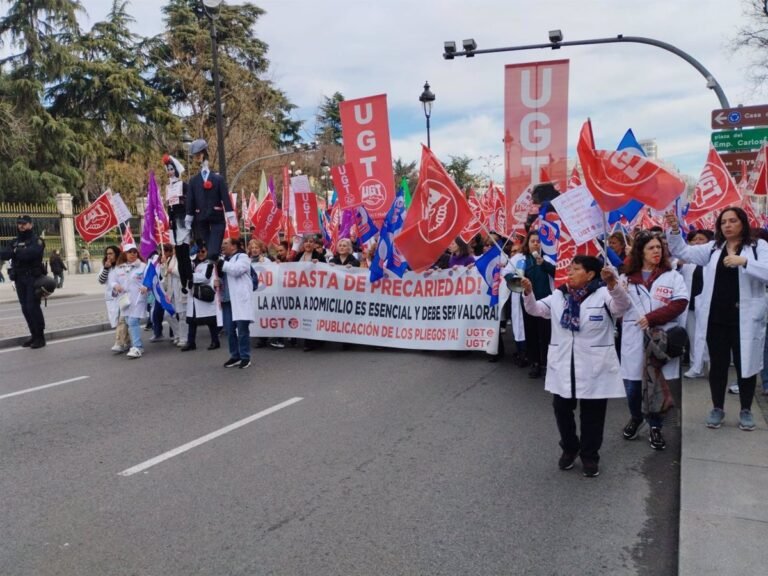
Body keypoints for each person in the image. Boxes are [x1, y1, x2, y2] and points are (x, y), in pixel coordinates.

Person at [522, 255, 631, 477]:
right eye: (569, 268)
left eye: (575, 269)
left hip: (594, 367)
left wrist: (613, 284)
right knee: (561, 409)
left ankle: (590, 456)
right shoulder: (559, 295)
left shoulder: (603, 294)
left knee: (593, 415)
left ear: (590, 274)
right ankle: (570, 448)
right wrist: (528, 292)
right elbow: (535, 310)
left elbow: (622, 306)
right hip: (564, 364)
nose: (569, 273)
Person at [666, 207, 768, 431]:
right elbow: (683, 252)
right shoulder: (714, 248)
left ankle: (746, 410)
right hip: (716, 317)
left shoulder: (758, 247)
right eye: (723, 222)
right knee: (718, 364)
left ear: (743, 222)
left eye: (733, 221)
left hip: (745, 317)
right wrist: (674, 230)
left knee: (746, 364)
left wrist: (745, 263)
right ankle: (717, 408)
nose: (728, 225)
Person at [619, 231, 688, 451]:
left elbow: (679, 303)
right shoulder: (626, 278)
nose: (657, 251)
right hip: (634, 338)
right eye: (651, 248)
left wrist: (651, 318)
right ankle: (636, 417)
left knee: (656, 385)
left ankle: (655, 426)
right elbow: (617, 306)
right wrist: (614, 289)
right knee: (633, 386)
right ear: (640, 252)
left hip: (660, 339)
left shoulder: (672, 276)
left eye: (659, 247)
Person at [0, 215, 47, 348]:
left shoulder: (37, 241)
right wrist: (16, 251)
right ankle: (33, 335)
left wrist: (15, 252)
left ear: (30, 225)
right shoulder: (14, 241)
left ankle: (40, 337)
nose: (21, 226)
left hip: (33, 278)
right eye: (19, 223)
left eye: (24, 223)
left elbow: (31, 254)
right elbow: (3, 253)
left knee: (33, 307)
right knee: (25, 308)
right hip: (19, 279)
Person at [185, 139, 236, 262]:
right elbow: (190, 200)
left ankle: (215, 265)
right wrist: (189, 215)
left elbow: (225, 196)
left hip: (216, 217)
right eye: (194, 156)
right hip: (201, 218)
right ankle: (215, 270)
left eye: (198, 155)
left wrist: (230, 213)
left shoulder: (217, 179)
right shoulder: (193, 181)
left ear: (203, 154)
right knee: (210, 249)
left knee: (213, 252)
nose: (196, 158)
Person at [680, 229, 714, 379]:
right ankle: (696, 366)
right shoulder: (686, 261)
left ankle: (713, 367)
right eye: (694, 240)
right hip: (691, 304)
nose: (697, 242)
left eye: (701, 239)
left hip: (710, 304)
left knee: (710, 338)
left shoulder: (713, 259)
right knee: (694, 337)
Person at [521, 230, 555, 378]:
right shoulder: (521, 260)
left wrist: (544, 264)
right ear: (527, 244)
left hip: (546, 303)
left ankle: (546, 363)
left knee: (546, 335)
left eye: (538, 241)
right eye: (532, 241)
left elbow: (558, 274)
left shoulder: (548, 259)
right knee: (532, 333)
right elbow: (509, 275)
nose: (535, 244)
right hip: (529, 302)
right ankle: (535, 362)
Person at [219, 237, 254, 368]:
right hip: (227, 300)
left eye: (226, 243)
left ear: (234, 246)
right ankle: (235, 356)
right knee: (229, 330)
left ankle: (245, 356)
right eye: (222, 243)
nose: (222, 245)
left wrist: (221, 263)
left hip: (239, 299)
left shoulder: (242, 257)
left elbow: (236, 270)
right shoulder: (224, 260)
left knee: (242, 329)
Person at [110, 243, 148, 359]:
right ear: (125, 254)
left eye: (135, 252)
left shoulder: (143, 266)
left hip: (138, 298)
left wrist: (147, 286)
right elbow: (112, 280)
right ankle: (134, 344)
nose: (133, 254)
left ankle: (137, 347)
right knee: (128, 320)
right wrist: (116, 285)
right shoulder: (119, 268)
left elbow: (151, 279)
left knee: (132, 321)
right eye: (130, 252)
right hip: (125, 300)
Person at [162, 153, 194, 291]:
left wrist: (188, 217)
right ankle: (183, 281)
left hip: (183, 221)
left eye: (171, 169)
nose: (170, 172)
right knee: (179, 254)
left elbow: (189, 202)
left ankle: (190, 278)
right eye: (168, 169)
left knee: (185, 252)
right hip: (173, 223)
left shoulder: (184, 185)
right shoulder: (168, 187)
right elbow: (169, 206)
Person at [182, 243, 222, 351]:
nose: (200, 254)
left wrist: (190, 276)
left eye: (203, 251)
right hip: (193, 295)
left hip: (205, 294)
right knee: (192, 320)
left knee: (210, 320)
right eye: (198, 252)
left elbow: (206, 277)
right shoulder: (192, 264)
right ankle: (191, 342)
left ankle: (215, 341)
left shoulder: (210, 264)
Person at [98, 245, 131, 353]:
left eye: (111, 253)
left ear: (116, 254)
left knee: (122, 320)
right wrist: (106, 268)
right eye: (107, 254)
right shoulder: (105, 266)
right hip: (111, 298)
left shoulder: (122, 266)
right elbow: (101, 281)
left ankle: (119, 343)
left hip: (123, 297)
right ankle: (127, 341)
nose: (108, 256)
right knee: (117, 321)